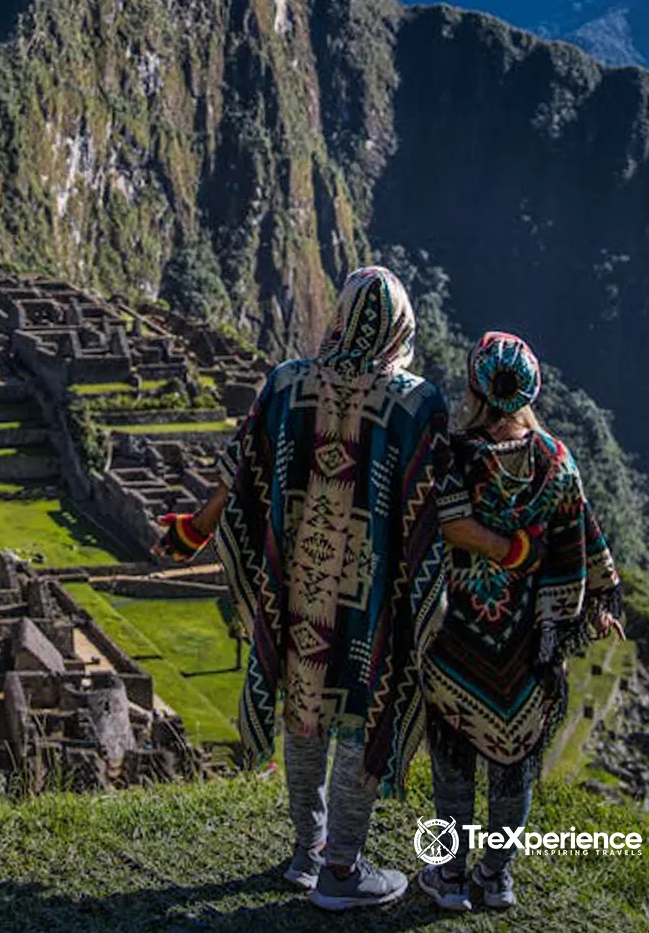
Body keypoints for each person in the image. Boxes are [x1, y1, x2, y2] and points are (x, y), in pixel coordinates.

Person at [156, 268, 533, 912]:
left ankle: (308, 852)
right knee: (362, 711)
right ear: (401, 328)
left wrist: (195, 530)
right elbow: (438, 507)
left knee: (304, 709)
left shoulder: (286, 383)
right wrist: (509, 547)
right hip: (373, 600)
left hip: (297, 588)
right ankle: (341, 869)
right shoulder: (417, 404)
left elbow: (238, 468)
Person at [418, 332, 623, 913]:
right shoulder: (556, 459)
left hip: (457, 637)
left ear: (475, 388)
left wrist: (502, 549)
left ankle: (448, 876)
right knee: (515, 768)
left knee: (453, 766)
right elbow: (582, 539)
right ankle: (497, 876)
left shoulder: (454, 455)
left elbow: (448, 524)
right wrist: (600, 602)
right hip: (532, 642)